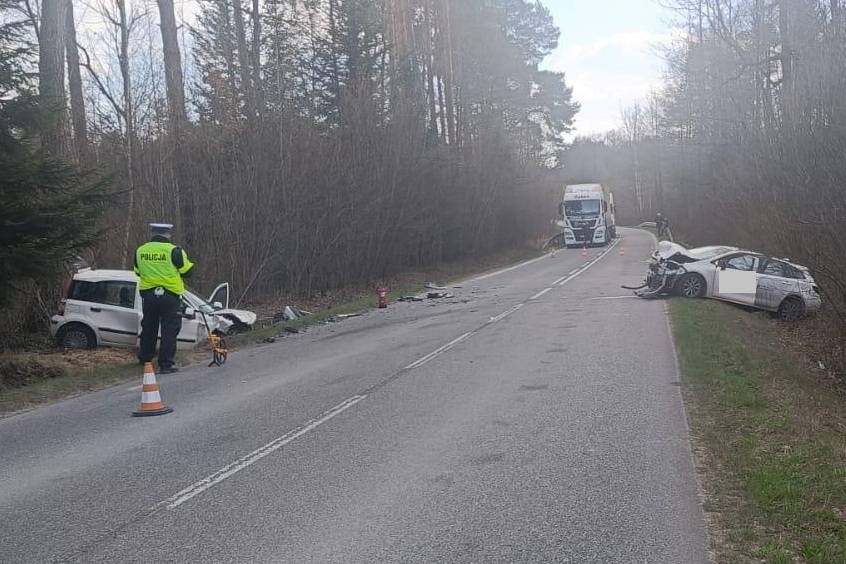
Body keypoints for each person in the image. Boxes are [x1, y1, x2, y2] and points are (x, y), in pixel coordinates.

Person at [134, 223, 194, 374]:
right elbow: (187, 271)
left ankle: (145, 359)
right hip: (170, 295)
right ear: (168, 234)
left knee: (148, 327)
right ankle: (166, 364)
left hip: (149, 294)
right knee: (170, 329)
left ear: (152, 233)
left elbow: (137, 272)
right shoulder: (175, 251)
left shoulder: (140, 250)